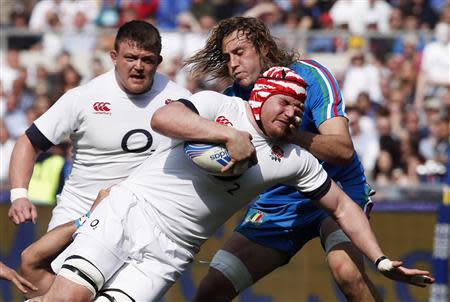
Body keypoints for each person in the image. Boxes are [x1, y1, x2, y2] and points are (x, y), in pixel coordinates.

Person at [34, 67, 434, 302]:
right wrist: (225, 136)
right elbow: (162, 120)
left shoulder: (294, 159)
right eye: (285, 102)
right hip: (130, 213)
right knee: (70, 297)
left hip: (170, 254)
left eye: (299, 107)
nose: (293, 113)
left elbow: (344, 207)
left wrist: (381, 260)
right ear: (260, 97)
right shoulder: (219, 106)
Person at [184, 16, 381, 301]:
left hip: (337, 189)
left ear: (263, 47)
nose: (233, 64)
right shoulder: (232, 101)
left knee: (347, 272)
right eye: (227, 57)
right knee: (212, 290)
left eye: (239, 53)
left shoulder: (311, 75)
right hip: (280, 202)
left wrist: (290, 135)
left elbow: (343, 151)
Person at [8, 19, 191, 289]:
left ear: (159, 61)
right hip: (78, 215)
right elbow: (29, 141)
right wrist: (19, 195)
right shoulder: (84, 97)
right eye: (130, 57)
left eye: (147, 59)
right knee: (53, 290)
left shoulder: (179, 99)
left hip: (139, 224)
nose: (138, 66)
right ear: (114, 57)